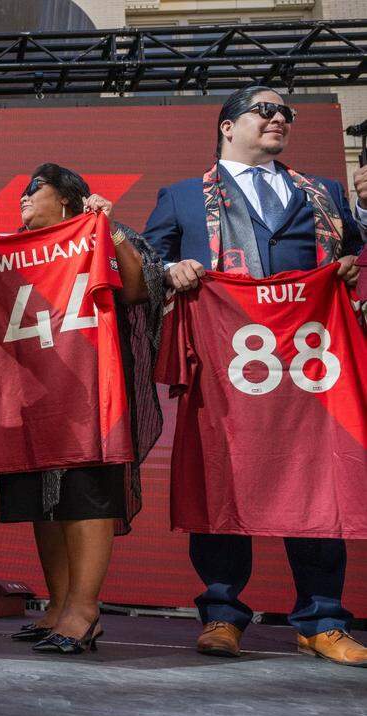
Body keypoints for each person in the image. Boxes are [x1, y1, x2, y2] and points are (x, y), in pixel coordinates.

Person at [143, 85, 367, 666]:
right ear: (226, 126)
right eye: (264, 110)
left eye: (285, 113)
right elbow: (143, 264)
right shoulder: (185, 197)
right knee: (222, 481)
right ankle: (222, 612)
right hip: (227, 373)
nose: (278, 119)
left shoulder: (324, 193)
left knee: (321, 486)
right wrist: (173, 268)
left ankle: (321, 619)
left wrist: (350, 266)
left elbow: (360, 256)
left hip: (311, 373)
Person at [0, 164, 164, 654]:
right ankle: (58, 603)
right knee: (42, 502)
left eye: (34, 190)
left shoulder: (104, 230)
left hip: (90, 393)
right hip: (32, 396)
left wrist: (106, 229)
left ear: (69, 199)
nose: (23, 198)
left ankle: (84, 609)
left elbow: (138, 288)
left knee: (84, 495)